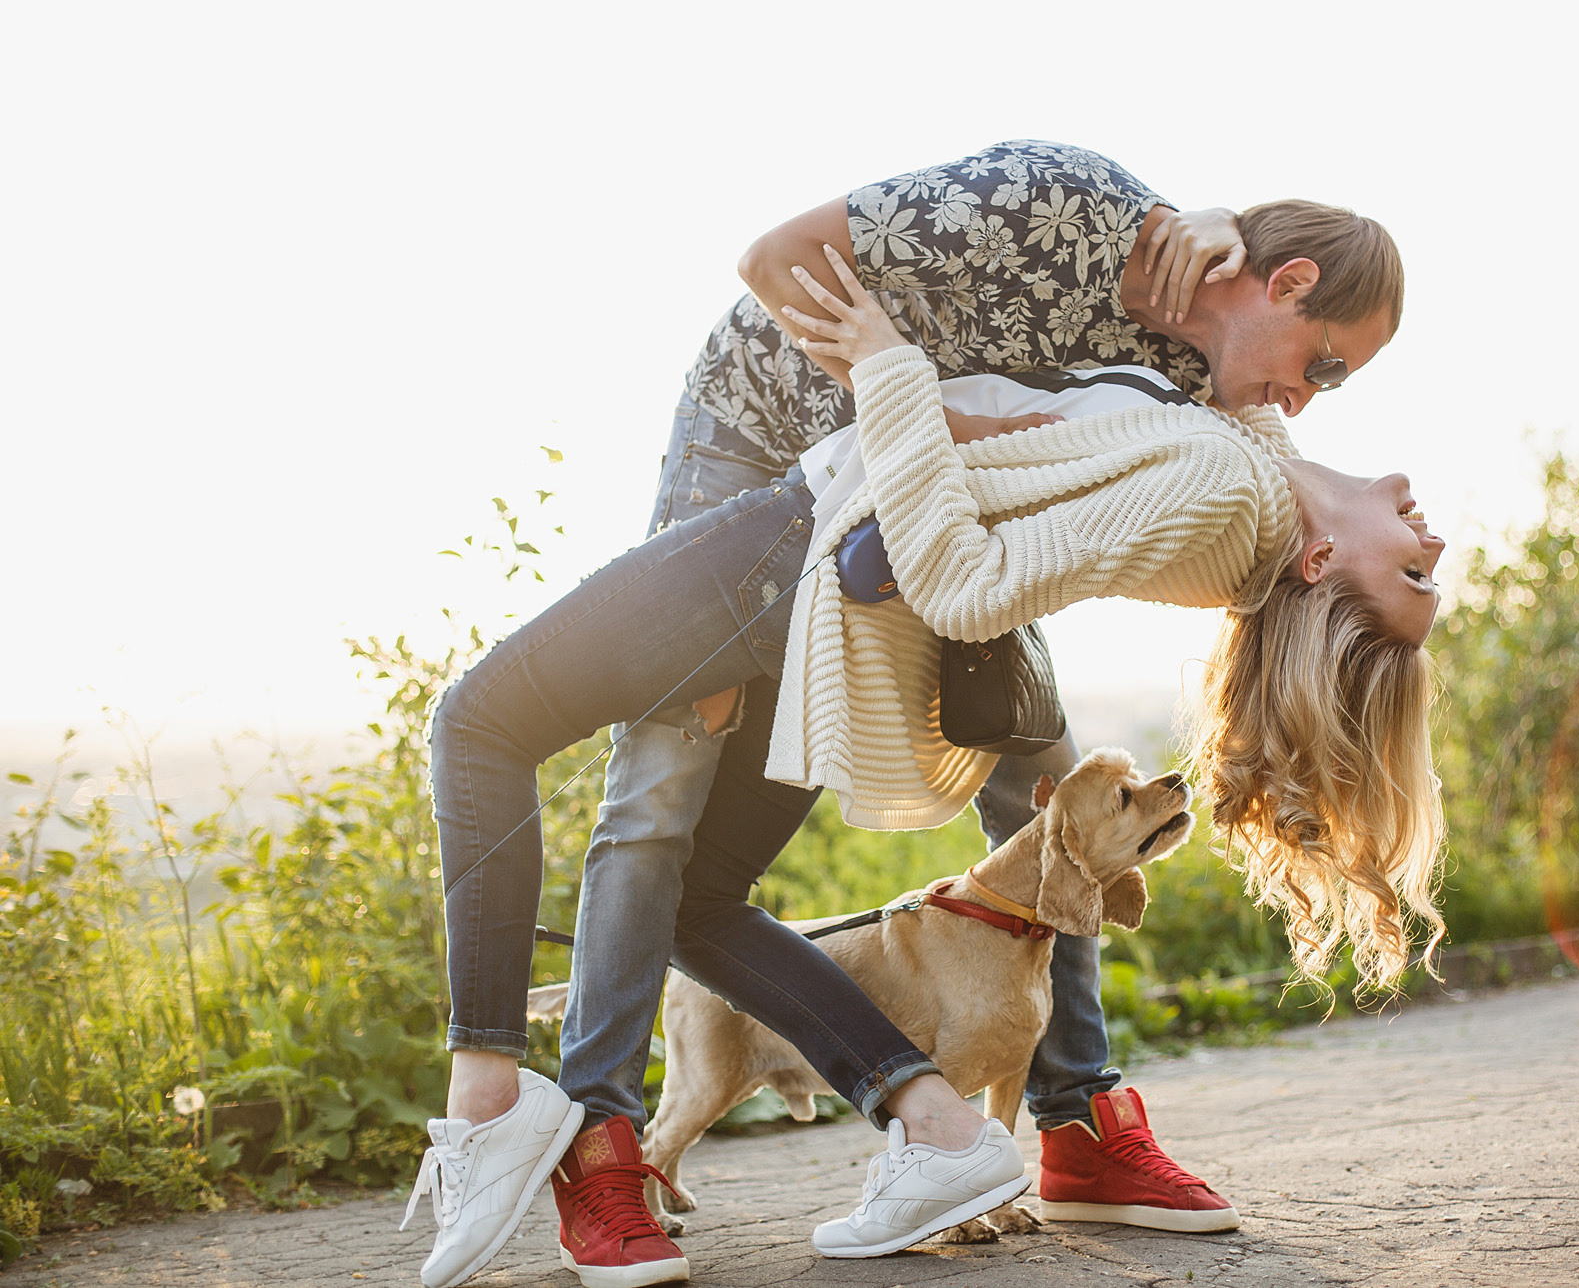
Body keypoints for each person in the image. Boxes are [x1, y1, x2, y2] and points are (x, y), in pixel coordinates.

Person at [405, 140, 1413, 1288]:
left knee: (1045, 773)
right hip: (766, 453)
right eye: (1324, 367)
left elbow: (1275, 490)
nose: (1306, 398)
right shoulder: (1065, 205)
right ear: (1280, 286)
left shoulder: (1208, 375)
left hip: (914, 509)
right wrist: (885, 424)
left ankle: (1068, 1119)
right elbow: (774, 259)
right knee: (661, 798)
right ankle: (602, 1140)